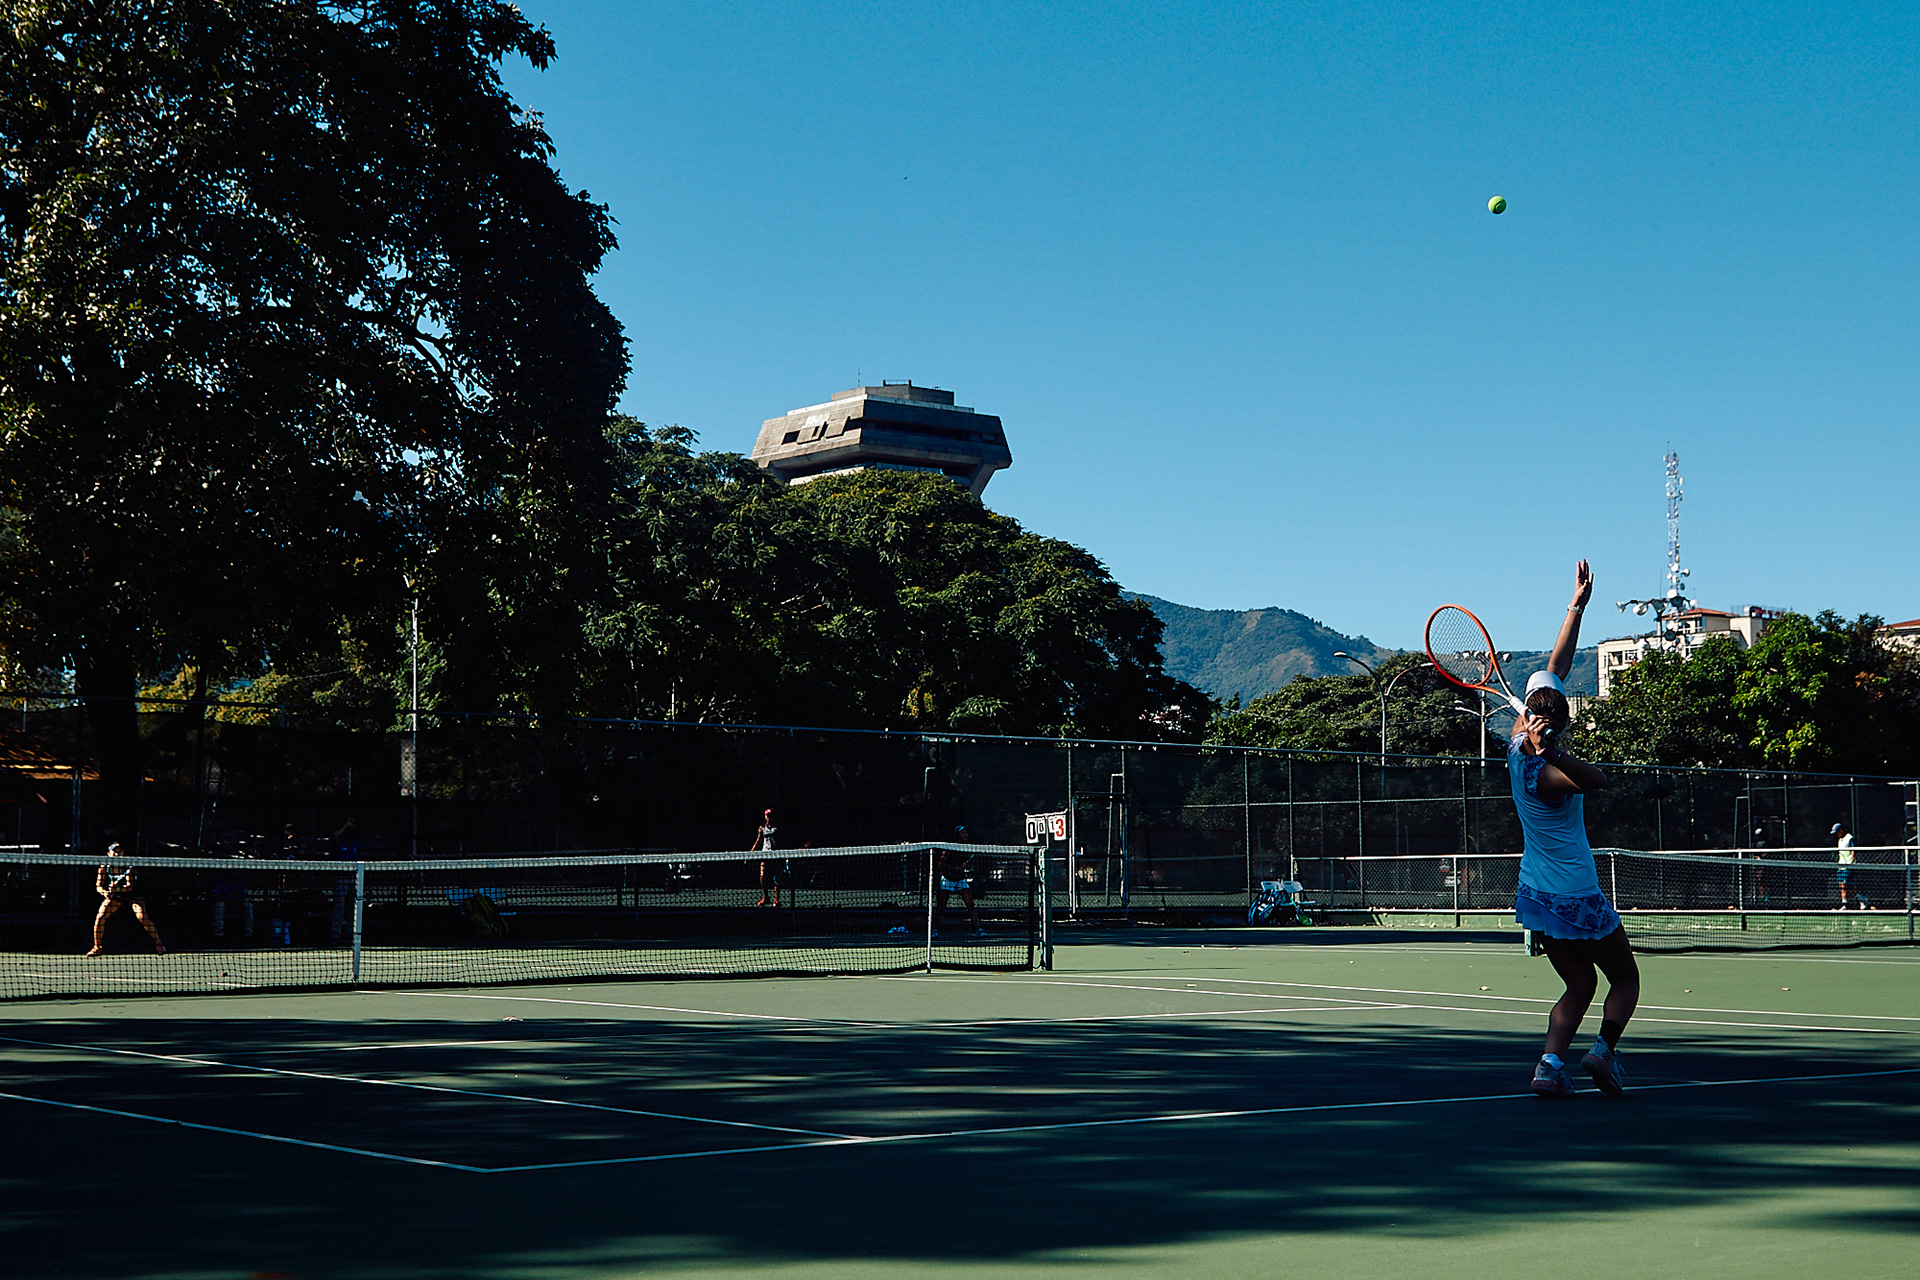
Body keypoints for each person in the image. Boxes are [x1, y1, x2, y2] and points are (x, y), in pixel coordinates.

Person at [1511, 560, 1638, 1099]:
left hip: (1536, 896)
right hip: (1577, 893)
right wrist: (1552, 749)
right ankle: (1604, 1051)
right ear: (1557, 726)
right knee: (1625, 978)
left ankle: (1548, 1065)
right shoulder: (1548, 774)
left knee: (1578, 984)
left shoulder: (1512, 751)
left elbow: (1556, 663)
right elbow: (1599, 779)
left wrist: (1576, 604)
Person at [86, 843, 165, 957]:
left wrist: (117, 888)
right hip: (116, 896)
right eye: (115, 851)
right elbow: (98, 886)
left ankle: (159, 944)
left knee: (142, 917)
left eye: (120, 851)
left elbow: (129, 886)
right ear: (109, 853)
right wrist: (105, 892)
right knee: (100, 916)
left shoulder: (128, 866)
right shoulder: (104, 867)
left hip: (133, 894)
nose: (118, 854)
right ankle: (97, 947)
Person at [933, 824, 984, 936]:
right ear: (957, 835)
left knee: (970, 903)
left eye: (966, 832)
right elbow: (941, 864)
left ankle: (978, 929)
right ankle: (934, 930)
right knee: (941, 906)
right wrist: (956, 868)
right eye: (962, 833)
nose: (965, 834)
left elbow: (968, 864)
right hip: (947, 879)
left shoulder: (966, 848)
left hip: (960, 879)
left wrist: (967, 866)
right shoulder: (949, 848)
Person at [750, 808, 783, 907]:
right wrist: (750, 854)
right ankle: (766, 897)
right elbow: (758, 841)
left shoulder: (778, 828)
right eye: (767, 815)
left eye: (771, 815)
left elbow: (783, 840)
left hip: (776, 856)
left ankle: (776, 899)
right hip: (765, 855)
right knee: (763, 877)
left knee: (777, 878)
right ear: (765, 816)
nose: (769, 817)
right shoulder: (762, 828)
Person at [1831, 821, 1856, 909]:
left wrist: (1852, 862)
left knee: (1845, 885)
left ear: (1841, 830)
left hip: (1848, 865)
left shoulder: (1849, 838)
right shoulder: (1840, 840)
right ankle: (1845, 903)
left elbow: (1853, 850)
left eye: (1837, 832)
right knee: (1841, 885)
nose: (1836, 834)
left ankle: (1848, 903)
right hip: (1840, 865)